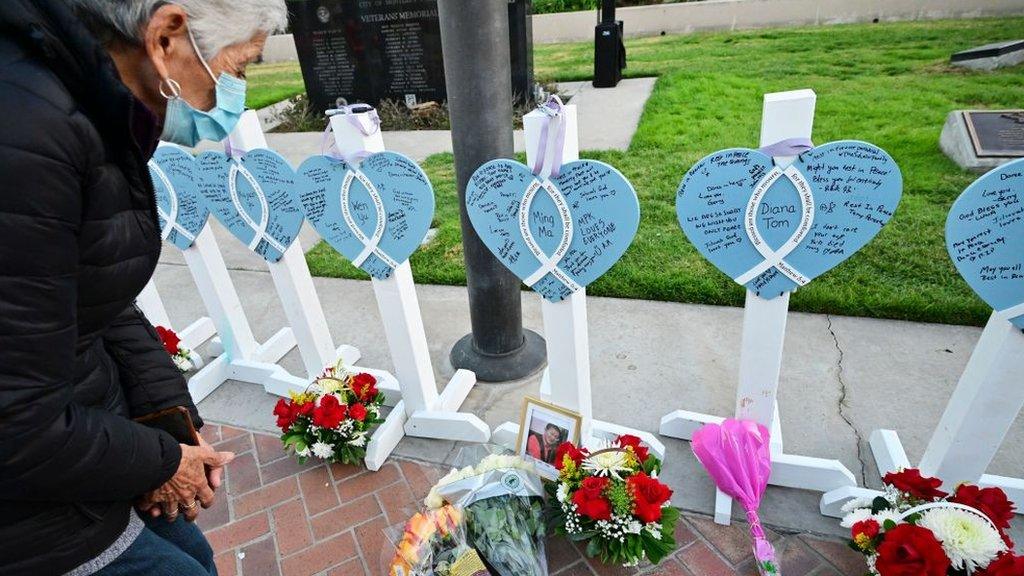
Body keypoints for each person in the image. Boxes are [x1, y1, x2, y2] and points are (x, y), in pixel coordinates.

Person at [0, 1, 287, 574]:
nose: (235, 91)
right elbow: (16, 423)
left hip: (77, 429)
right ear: (165, 37)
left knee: (193, 551)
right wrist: (159, 462)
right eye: (239, 65)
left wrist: (167, 411)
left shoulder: (79, 101)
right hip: (27, 513)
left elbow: (91, 298)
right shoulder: (31, 137)